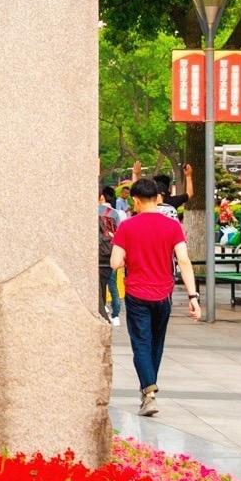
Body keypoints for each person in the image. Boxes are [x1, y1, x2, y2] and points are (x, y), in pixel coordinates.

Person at [111, 175, 200, 415]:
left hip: (137, 293)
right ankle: (147, 390)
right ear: (158, 198)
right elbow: (183, 260)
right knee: (156, 344)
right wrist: (193, 297)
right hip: (164, 294)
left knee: (141, 343)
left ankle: (148, 392)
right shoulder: (172, 226)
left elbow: (115, 262)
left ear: (137, 200)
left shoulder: (127, 226)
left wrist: (130, 255)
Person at [98, 182, 124, 318]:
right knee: (113, 286)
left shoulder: (92, 212)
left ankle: (102, 312)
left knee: (99, 288)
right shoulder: (114, 213)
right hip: (111, 254)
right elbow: (118, 234)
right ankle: (116, 314)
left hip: (97, 256)